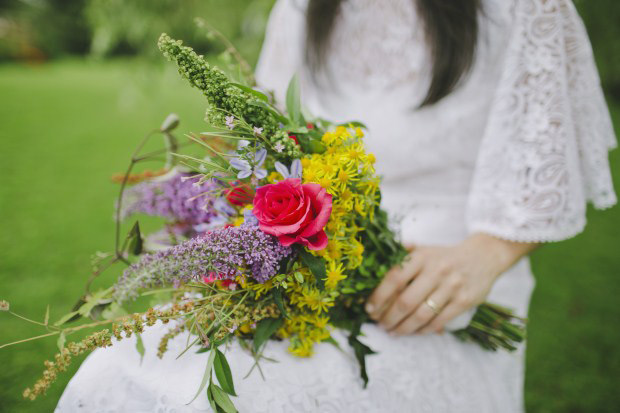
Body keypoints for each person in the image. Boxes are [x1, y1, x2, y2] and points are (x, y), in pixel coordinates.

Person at [56, 0, 617, 411]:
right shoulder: (301, 9)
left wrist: (483, 257)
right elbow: (274, 146)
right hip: (314, 258)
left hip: (450, 276)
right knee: (124, 370)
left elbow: (551, 164)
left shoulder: (526, 9)